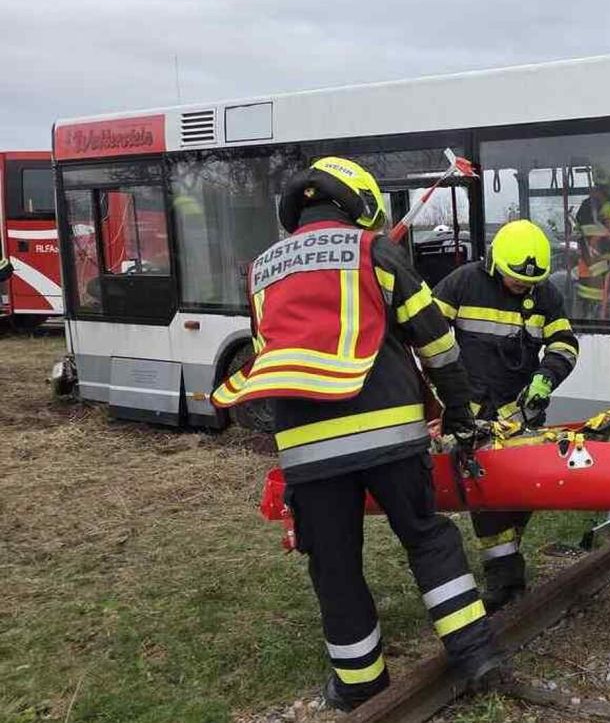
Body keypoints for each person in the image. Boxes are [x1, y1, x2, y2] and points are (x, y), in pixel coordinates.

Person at [210, 157, 498, 711]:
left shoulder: (261, 270)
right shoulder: (374, 250)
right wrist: (459, 411)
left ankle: (360, 683)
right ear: (361, 203)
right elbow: (433, 338)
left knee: (335, 564)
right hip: (388, 431)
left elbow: (269, 348)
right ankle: (475, 653)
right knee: (427, 538)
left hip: (307, 447)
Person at [433, 219, 579, 613]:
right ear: (496, 264)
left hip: (523, 413)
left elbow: (565, 343)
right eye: (517, 280)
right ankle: (505, 583)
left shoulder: (544, 294)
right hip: (474, 415)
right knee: (489, 500)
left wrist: (547, 377)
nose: (524, 287)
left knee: (522, 493)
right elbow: (426, 335)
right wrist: (445, 397)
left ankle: (508, 569)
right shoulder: (462, 283)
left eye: (530, 282)